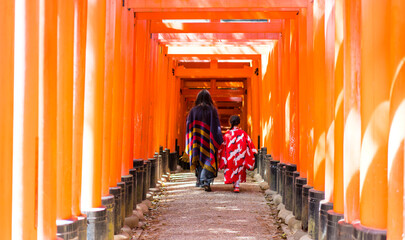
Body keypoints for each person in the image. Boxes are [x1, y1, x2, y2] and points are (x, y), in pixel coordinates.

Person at [185, 89, 223, 192]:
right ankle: (206, 180)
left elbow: (189, 126)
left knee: (197, 158)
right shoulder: (212, 110)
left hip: (196, 140)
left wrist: (189, 139)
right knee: (208, 158)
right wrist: (219, 139)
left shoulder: (193, 111)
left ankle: (199, 180)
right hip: (209, 140)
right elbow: (216, 126)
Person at [219, 115, 257, 193]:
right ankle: (237, 185)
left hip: (230, 156)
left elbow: (222, 146)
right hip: (241, 155)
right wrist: (253, 151)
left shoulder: (227, 134)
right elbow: (250, 143)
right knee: (239, 168)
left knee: (231, 168)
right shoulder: (243, 133)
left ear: (230, 123)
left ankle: (235, 183)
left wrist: (220, 154)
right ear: (239, 123)